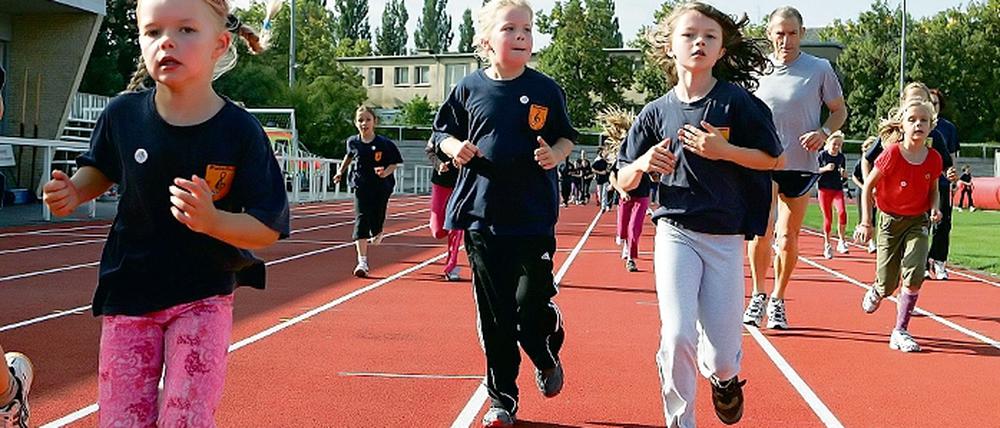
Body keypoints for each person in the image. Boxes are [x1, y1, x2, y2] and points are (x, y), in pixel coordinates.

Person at [41, 0, 289, 425]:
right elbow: (101, 168)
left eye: (187, 30)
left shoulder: (240, 132)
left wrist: (214, 222)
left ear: (220, 43)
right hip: (129, 293)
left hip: (203, 297)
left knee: (186, 418)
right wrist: (74, 192)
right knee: (122, 420)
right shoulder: (123, 115)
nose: (167, 42)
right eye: (153, 32)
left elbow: (267, 226)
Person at [617, 3, 784, 426]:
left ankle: (725, 381)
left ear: (722, 49)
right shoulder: (655, 112)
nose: (699, 42)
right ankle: (680, 421)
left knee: (724, 355)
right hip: (675, 230)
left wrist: (724, 151)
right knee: (676, 334)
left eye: (709, 36)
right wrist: (642, 164)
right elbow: (622, 179)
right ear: (670, 47)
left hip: (725, 238)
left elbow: (773, 160)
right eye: (689, 35)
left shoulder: (737, 103)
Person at [432, 0, 578, 425]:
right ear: (485, 40)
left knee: (530, 309)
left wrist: (557, 153)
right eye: (510, 28)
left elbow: (566, 136)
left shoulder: (547, 90)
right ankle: (503, 398)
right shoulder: (468, 89)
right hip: (482, 217)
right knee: (496, 315)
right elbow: (441, 131)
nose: (520, 36)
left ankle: (545, 343)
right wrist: (452, 147)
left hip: (533, 218)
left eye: (527, 29)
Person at [744, 6, 847, 330]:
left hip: (800, 165)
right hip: (763, 160)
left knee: (788, 235)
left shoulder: (819, 69)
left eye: (791, 33)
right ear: (769, 33)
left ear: (802, 34)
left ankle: (778, 298)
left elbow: (838, 110)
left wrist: (824, 133)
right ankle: (758, 293)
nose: (785, 40)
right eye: (779, 33)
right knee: (761, 230)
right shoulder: (756, 70)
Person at [855, 99, 943, 353]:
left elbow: (934, 190)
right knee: (887, 284)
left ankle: (900, 330)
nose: (918, 124)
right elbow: (868, 186)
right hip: (889, 222)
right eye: (912, 120)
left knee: (915, 273)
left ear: (930, 126)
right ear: (902, 125)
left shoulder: (933, 158)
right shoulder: (892, 153)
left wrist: (935, 207)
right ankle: (878, 289)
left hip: (918, 221)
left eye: (923, 120)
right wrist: (866, 221)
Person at [861, 82, 955, 280]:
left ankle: (924, 269)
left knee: (917, 254)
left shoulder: (934, 135)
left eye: (923, 100)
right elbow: (867, 160)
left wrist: (950, 173)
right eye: (914, 100)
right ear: (904, 104)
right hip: (892, 206)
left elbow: (947, 164)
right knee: (888, 276)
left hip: (920, 205)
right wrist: (872, 186)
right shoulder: (891, 137)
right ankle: (888, 282)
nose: (918, 104)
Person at [333, 106, 403, 278]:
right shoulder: (353, 142)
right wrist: (340, 172)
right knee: (361, 219)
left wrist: (385, 173)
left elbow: (395, 163)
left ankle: (378, 230)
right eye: (360, 120)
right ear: (356, 123)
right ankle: (362, 261)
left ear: (374, 122)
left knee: (377, 219)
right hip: (361, 185)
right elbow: (348, 157)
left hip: (381, 187)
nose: (364, 123)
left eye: (367, 120)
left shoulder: (384, 144)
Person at [926, 88, 960, 279]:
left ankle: (939, 261)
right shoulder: (919, 124)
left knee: (943, 224)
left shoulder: (948, 128)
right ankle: (921, 263)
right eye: (929, 103)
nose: (932, 107)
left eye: (935, 103)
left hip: (943, 182)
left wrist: (952, 178)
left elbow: (952, 155)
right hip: (922, 182)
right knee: (923, 223)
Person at [425, 133, 464, 281]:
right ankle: (440, 224)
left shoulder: (469, 126)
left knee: (456, 224)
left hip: (461, 183)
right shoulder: (440, 130)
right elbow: (429, 150)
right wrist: (439, 164)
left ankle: (451, 266)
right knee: (438, 231)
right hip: (440, 182)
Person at [817, 131, 849, 259]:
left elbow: (844, 177)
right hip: (824, 189)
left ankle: (841, 241)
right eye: (834, 144)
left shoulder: (841, 157)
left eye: (839, 145)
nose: (836, 147)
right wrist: (825, 169)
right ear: (828, 143)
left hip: (837, 189)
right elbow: (815, 170)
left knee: (842, 212)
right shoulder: (822, 156)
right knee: (828, 218)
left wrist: (844, 175)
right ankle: (827, 244)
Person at [851, 136, 879, 253]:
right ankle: (869, 240)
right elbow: (853, 176)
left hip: (875, 192)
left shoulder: (878, 161)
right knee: (864, 214)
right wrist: (864, 187)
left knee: (874, 216)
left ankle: (872, 241)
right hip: (862, 191)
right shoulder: (862, 161)